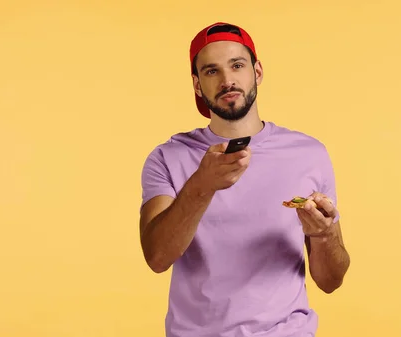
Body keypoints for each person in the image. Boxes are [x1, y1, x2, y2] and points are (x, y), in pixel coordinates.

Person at [139, 22, 350, 337]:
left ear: (258, 72)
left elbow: (331, 281)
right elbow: (156, 257)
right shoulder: (168, 157)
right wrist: (202, 185)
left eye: (237, 65)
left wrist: (323, 236)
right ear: (197, 85)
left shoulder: (308, 153)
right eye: (212, 71)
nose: (227, 80)